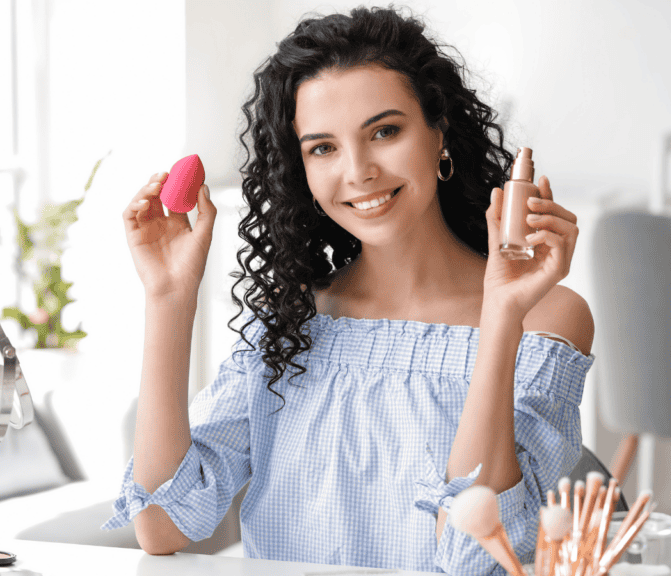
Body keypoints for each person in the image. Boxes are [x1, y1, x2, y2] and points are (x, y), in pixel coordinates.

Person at [103, 5, 594, 575]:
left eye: (385, 131)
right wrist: (168, 297)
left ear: (440, 135)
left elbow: (472, 560)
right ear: (302, 170)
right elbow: (162, 526)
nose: (358, 170)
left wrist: (501, 312)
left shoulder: (546, 317)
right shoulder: (288, 324)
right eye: (323, 148)